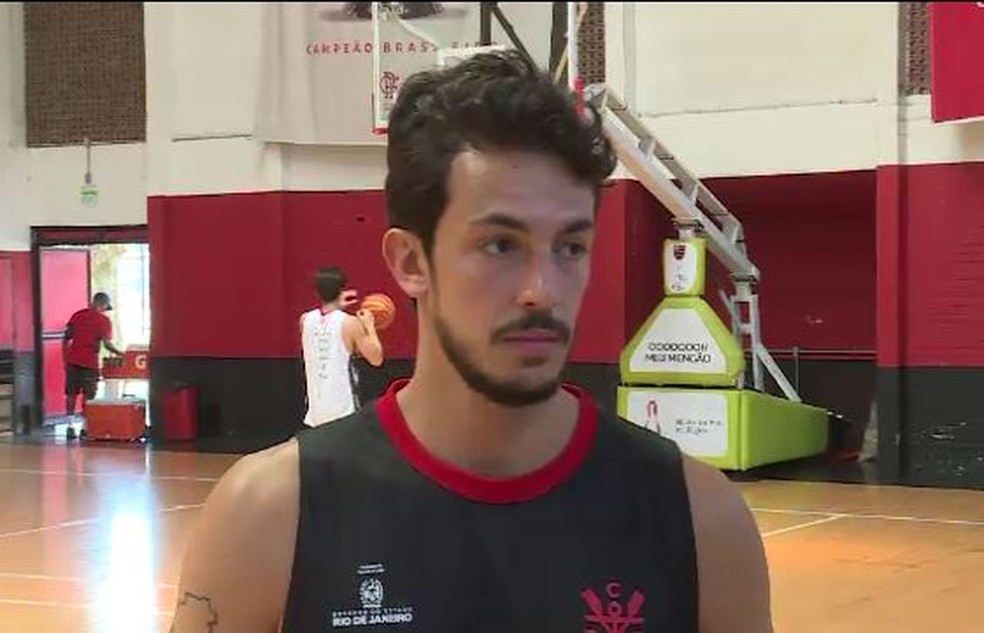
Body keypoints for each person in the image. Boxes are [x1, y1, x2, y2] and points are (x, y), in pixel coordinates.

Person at [169, 50, 772, 632]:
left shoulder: (700, 520)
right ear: (410, 262)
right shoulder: (267, 516)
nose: (543, 290)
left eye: (571, 247)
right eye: (500, 245)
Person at [299, 266, 384, 427]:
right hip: (343, 408)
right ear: (341, 290)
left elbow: (327, 322)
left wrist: (335, 303)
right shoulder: (350, 323)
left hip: (316, 410)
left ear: (317, 292)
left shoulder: (305, 320)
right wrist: (369, 326)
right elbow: (376, 358)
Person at [62, 292, 124, 437]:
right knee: (89, 396)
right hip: (90, 363)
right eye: (105, 307)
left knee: (71, 394)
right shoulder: (104, 321)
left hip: (72, 361)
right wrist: (122, 354)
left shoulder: (77, 316)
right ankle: (85, 427)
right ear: (101, 304)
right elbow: (107, 345)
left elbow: (66, 339)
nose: (105, 310)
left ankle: (70, 426)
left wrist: (65, 359)